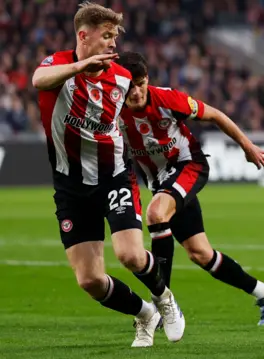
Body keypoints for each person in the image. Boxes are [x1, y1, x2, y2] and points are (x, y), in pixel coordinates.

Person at [31, 2, 184, 348]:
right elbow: (38, 80)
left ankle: (166, 299)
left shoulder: (122, 75)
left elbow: (145, 101)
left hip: (114, 176)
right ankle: (145, 313)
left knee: (130, 255)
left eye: (115, 36)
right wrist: (80, 67)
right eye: (107, 36)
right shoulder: (57, 66)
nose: (113, 44)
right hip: (70, 186)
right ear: (83, 36)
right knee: (90, 281)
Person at [115, 52, 264, 327]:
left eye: (140, 83)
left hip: (188, 166)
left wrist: (247, 146)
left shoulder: (168, 99)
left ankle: (161, 304)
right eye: (129, 86)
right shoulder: (113, 112)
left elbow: (216, 115)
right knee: (200, 253)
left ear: (147, 80)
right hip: (161, 181)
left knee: (157, 213)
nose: (135, 92)